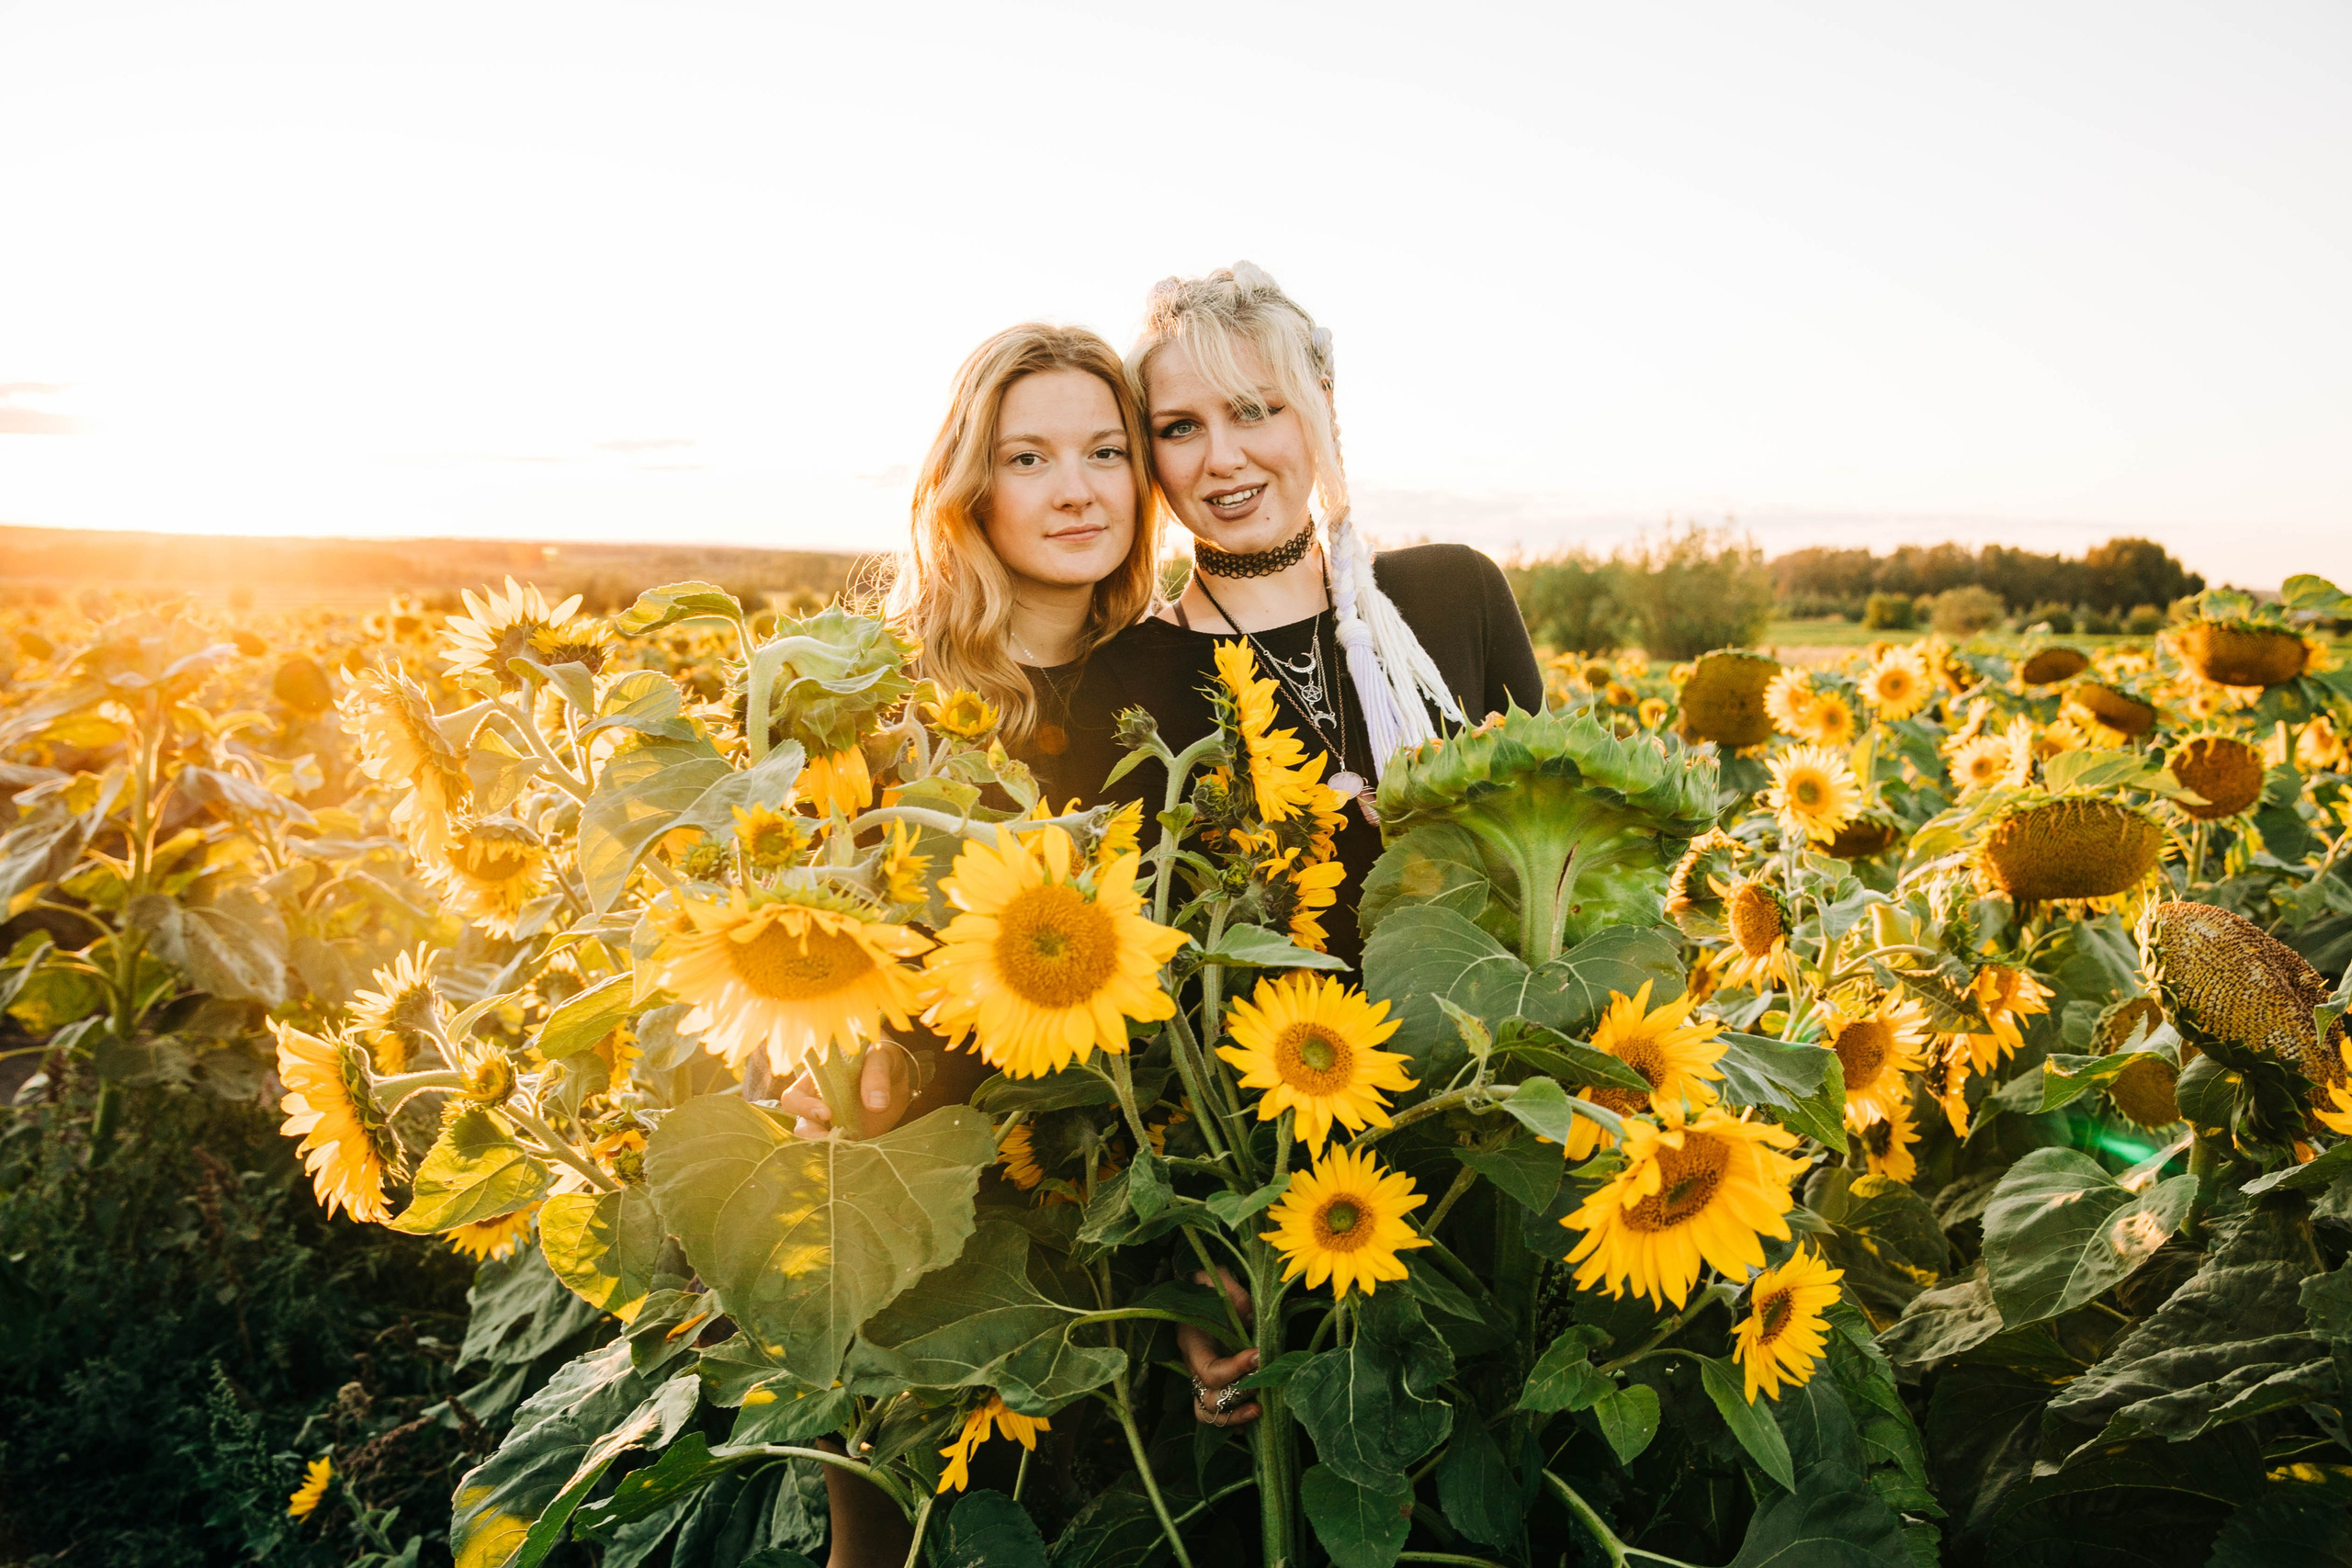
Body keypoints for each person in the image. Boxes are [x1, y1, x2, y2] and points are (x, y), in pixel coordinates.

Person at [1052, 263, 1543, 1432]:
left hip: (1496, 1141)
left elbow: (1570, 862)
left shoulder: (1451, 599)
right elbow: (1135, 1005)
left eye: (1256, 409)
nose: (1223, 460)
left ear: (1322, 399)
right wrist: (1187, 1272)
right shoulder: (1122, 684)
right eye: (1179, 427)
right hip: (1273, 1187)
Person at [775, 321, 1159, 1565]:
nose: (1078, 486)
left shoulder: (1175, 696)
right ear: (969, 485)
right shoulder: (884, 705)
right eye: (1032, 455)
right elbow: (787, 938)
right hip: (915, 1192)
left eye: (1107, 449)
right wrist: (806, 1079)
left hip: (1116, 1204)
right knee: (890, 1530)